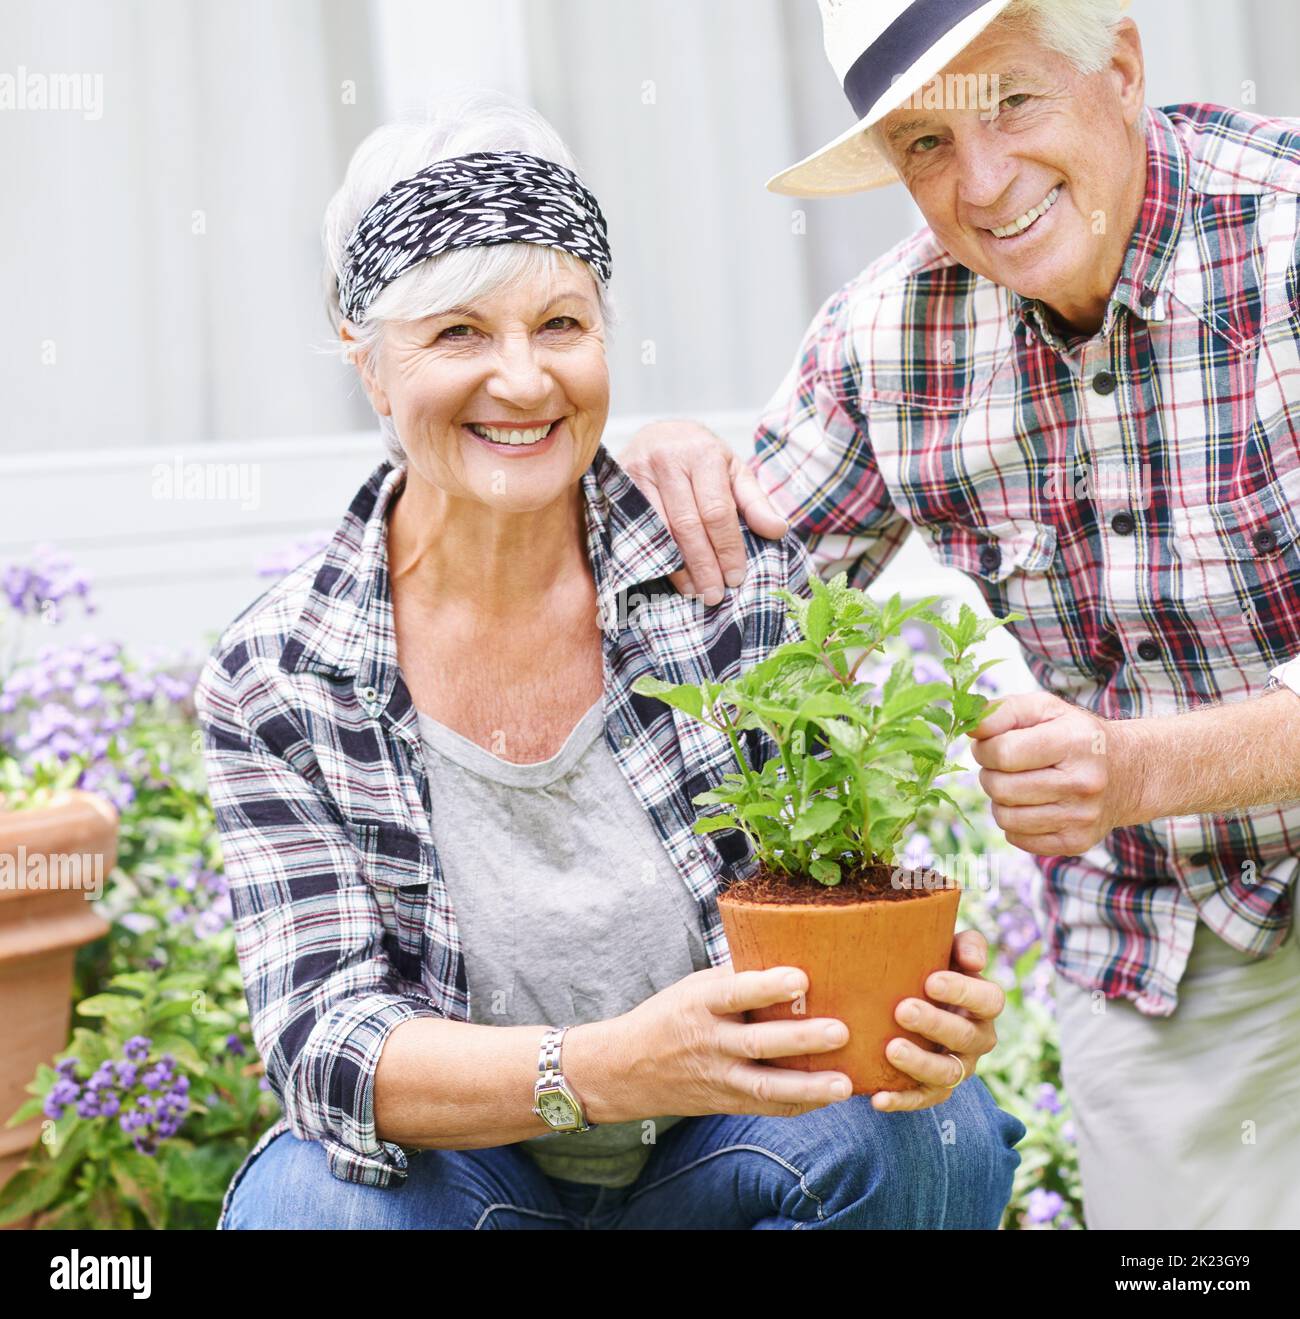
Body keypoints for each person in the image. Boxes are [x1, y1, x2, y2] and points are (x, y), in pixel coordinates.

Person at [193, 89, 1025, 1231]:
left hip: (726, 1154)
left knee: (931, 1132)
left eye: (560, 326)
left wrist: (929, 996)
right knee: (308, 1210)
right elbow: (323, 1045)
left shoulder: (719, 574)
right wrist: (600, 1066)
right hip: (470, 1181)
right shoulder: (281, 671)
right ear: (367, 358)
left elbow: (850, 880)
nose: (525, 380)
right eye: (457, 334)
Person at [621, 0, 1300, 1229]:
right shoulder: (891, 336)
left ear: (1121, 66)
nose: (982, 183)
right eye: (923, 144)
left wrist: (1138, 765)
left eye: (1011, 101)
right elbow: (715, 603)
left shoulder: (1286, 237)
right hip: (1163, 931)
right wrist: (649, 464)